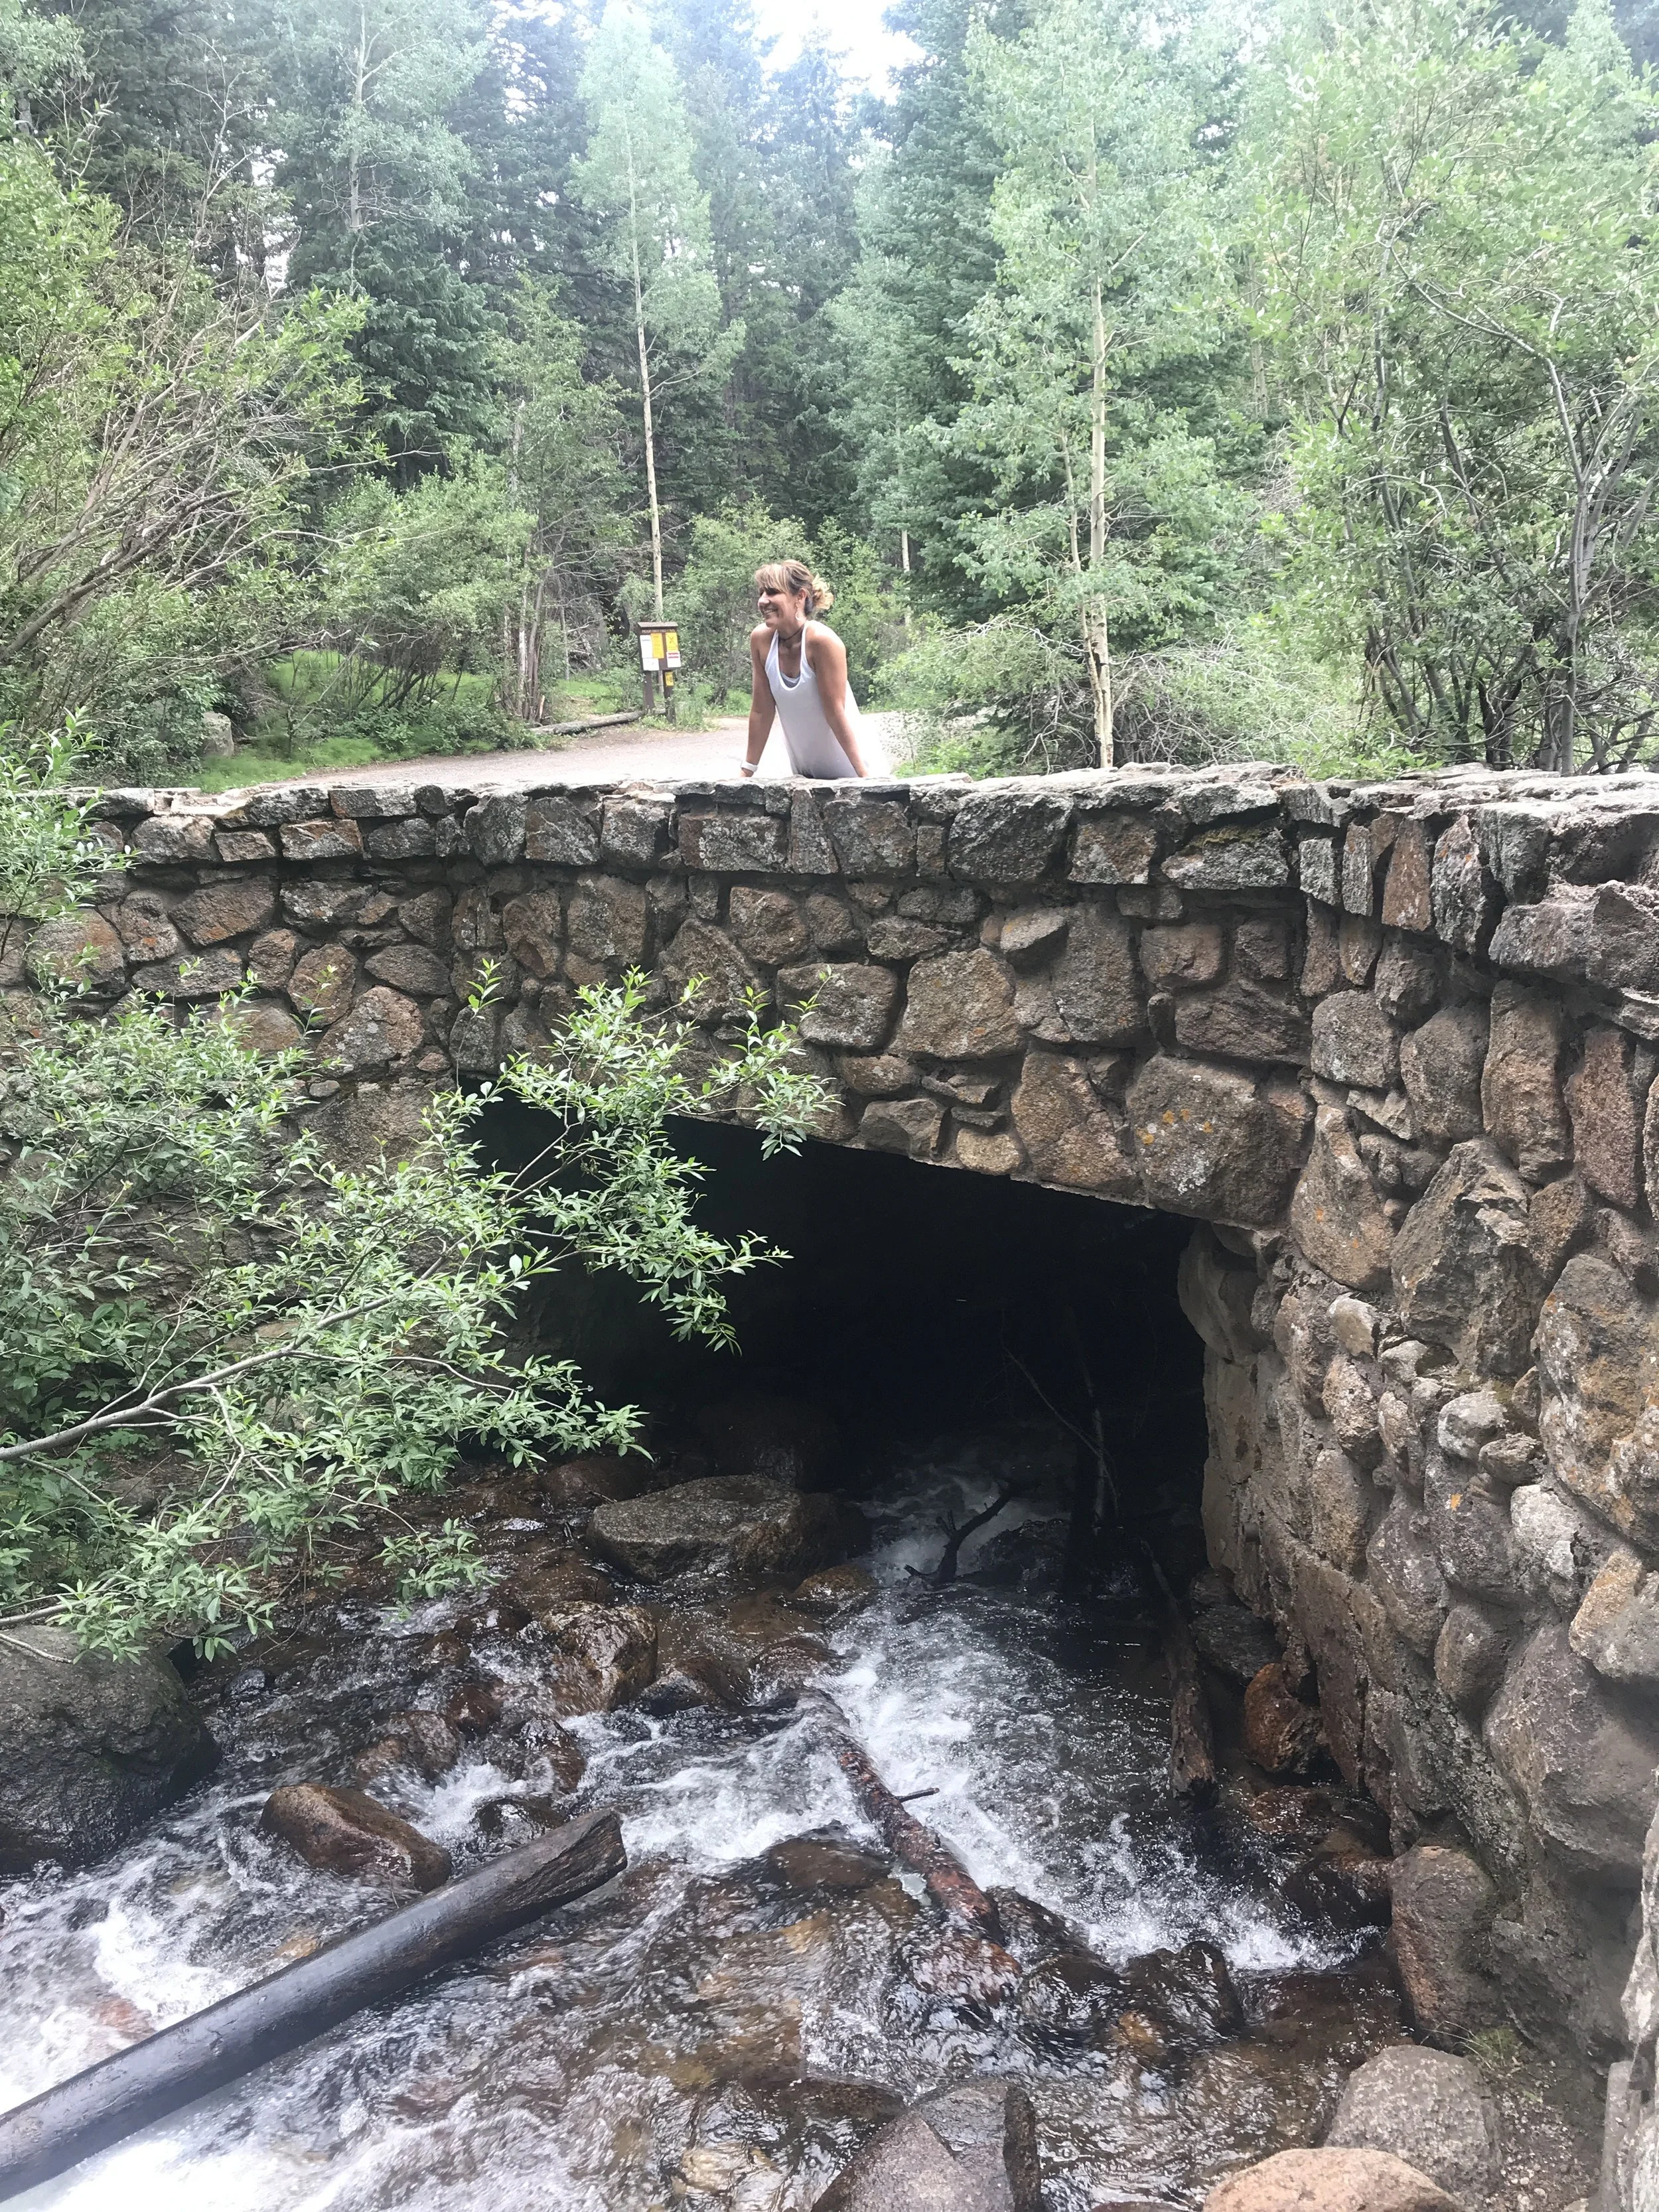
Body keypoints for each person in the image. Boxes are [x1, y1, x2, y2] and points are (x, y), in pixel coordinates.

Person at [742, 559, 887, 779]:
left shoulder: (822, 641)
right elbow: (761, 711)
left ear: (800, 597)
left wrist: (865, 778)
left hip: (852, 772)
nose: (763, 601)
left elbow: (835, 712)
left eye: (772, 592)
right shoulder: (761, 640)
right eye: (761, 592)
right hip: (806, 776)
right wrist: (746, 772)